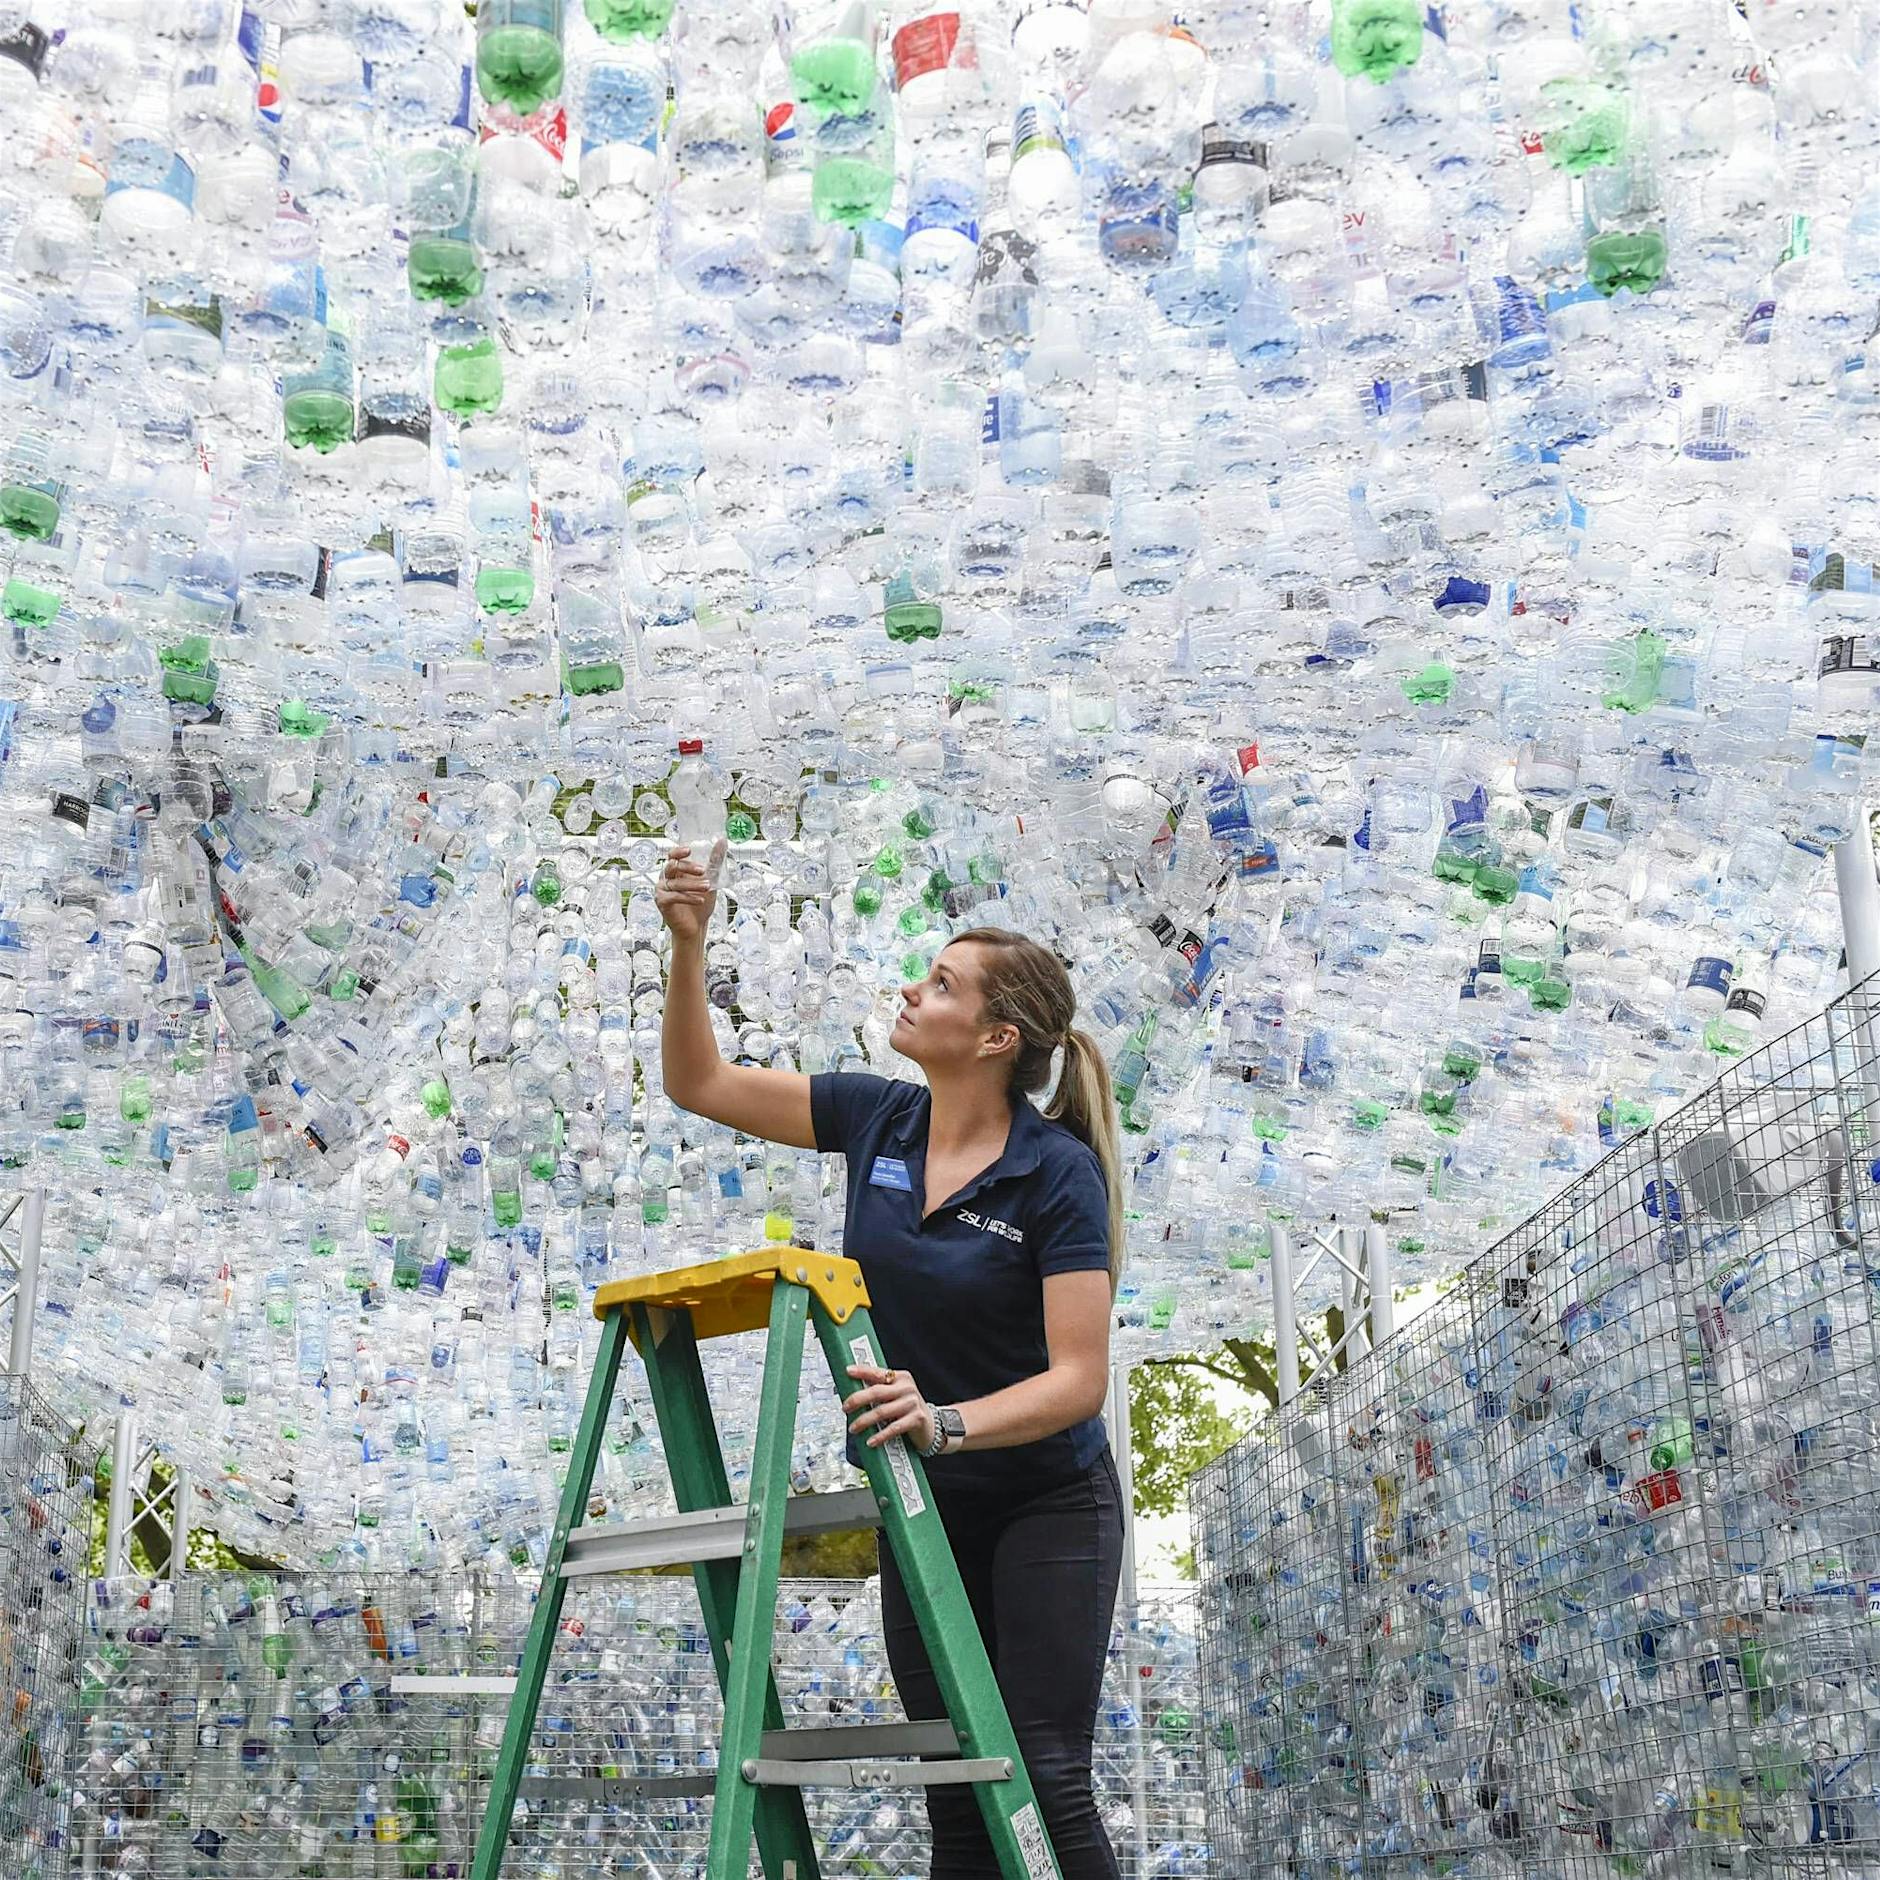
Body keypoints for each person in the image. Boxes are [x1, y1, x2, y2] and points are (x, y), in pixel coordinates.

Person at [655, 840, 1127, 1880]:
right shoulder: (878, 1115)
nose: (912, 988)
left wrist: (945, 1418)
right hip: (927, 1501)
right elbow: (698, 1080)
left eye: (942, 982)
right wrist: (687, 942)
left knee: (1045, 1768)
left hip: (1049, 1500)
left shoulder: (1054, 1176)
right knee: (954, 1780)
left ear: (995, 1035)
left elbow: (1076, 1379)